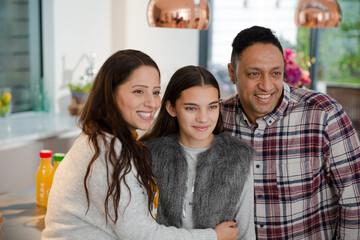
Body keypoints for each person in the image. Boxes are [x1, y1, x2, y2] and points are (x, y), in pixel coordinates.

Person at [42, 50, 240, 240]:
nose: (151, 102)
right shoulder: (106, 151)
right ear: (110, 94)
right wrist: (213, 236)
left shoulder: (111, 141)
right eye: (138, 91)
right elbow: (143, 235)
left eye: (155, 92)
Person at [221, 25, 360, 239]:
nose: (266, 85)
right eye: (254, 74)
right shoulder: (216, 118)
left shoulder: (324, 114)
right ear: (232, 73)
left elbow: (354, 198)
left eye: (275, 73)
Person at [140, 65, 256, 239]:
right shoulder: (147, 155)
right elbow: (141, 230)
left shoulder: (239, 157)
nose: (203, 118)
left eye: (212, 107)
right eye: (191, 108)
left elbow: (246, 233)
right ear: (171, 108)